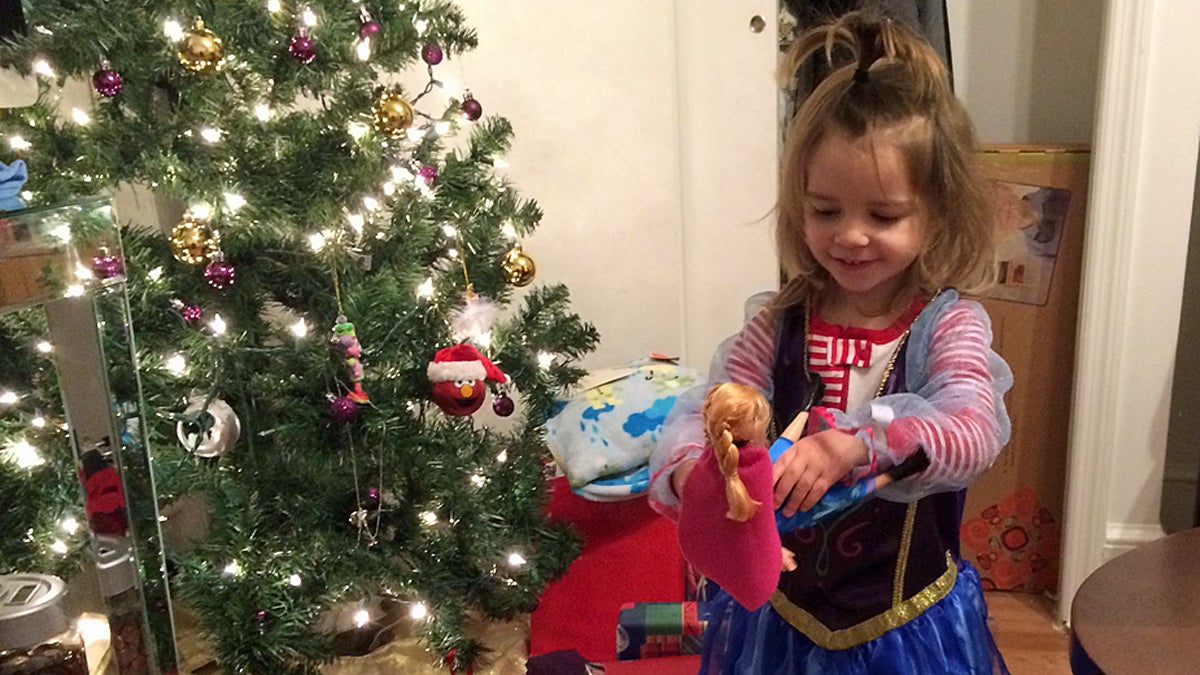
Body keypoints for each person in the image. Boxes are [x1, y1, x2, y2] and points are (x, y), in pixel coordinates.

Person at [648, 10, 1013, 674]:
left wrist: (860, 443)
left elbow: (971, 425)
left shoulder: (947, 325)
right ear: (798, 206)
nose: (850, 235)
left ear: (939, 212)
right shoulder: (776, 324)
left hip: (909, 627)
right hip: (782, 624)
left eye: (883, 214)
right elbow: (707, 413)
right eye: (825, 210)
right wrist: (696, 472)